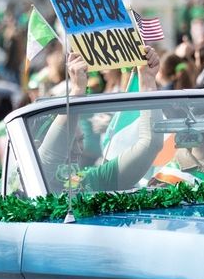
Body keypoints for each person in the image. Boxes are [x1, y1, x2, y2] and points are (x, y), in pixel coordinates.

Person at [36, 46, 163, 193]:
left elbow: (151, 144)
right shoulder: (31, 182)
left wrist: (147, 81)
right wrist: (77, 90)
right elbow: (50, 157)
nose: (78, 150)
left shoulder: (91, 181)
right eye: (70, 143)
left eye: (80, 140)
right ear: (36, 147)